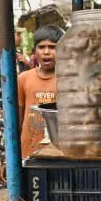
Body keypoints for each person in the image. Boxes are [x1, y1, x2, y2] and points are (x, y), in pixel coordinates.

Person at [18, 26, 61, 158]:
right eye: (41, 47)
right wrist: (8, 158)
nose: (46, 52)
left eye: (52, 47)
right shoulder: (24, 78)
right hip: (28, 152)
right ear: (34, 52)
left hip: (59, 153)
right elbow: (17, 120)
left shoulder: (68, 79)